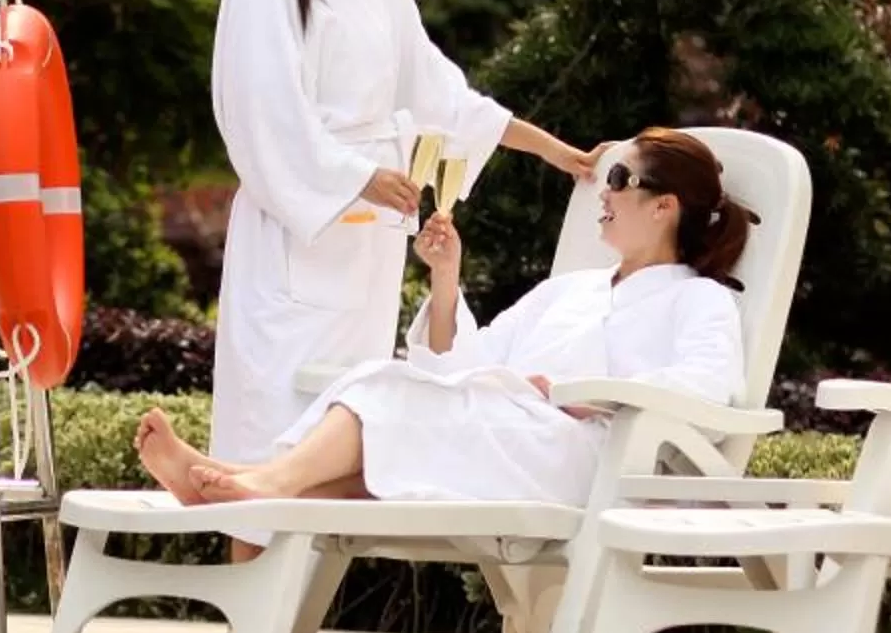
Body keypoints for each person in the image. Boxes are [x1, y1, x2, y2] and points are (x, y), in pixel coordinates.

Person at [198, 0, 593, 633]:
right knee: (270, 408)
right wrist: (350, 176)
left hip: (367, 248)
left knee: (345, 420)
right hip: (296, 230)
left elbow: (444, 96)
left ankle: (289, 628)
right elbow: (262, 111)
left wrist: (559, 153)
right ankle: (244, 625)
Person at [137, 128, 751, 509]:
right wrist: (446, 276)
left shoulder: (700, 299)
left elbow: (706, 388)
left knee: (388, 394)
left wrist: (583, 395)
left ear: (665, 206)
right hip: (514, 436)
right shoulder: (569, 291)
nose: (604, 191)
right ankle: (252, 485)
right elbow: (464, 366)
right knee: (387, 397)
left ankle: (257, 482)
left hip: (591, 459)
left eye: (619, 177)